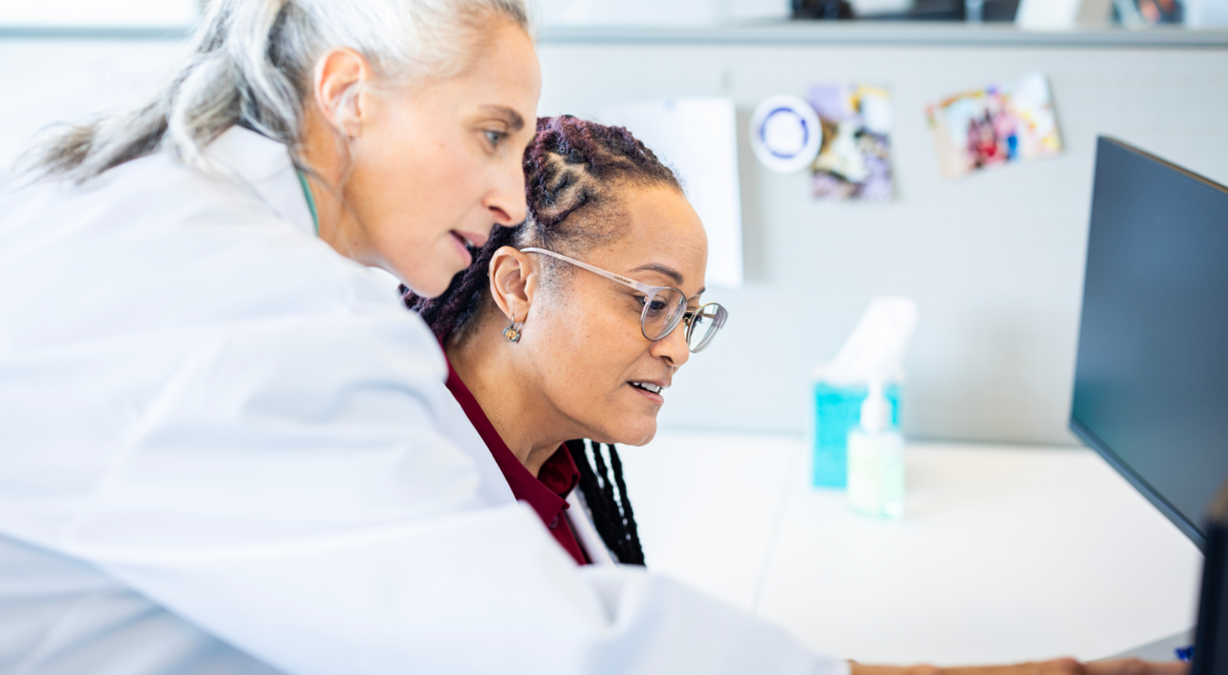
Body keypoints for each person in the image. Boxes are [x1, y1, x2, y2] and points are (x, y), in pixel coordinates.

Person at [0, 0, 1191, 672]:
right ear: (349, 93)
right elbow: (551, 655)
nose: (508, 190)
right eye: (486, 132)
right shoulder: (245, 306)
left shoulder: (167, 206)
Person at [405, 115, 728, 566]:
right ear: (517, 286)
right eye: (654, 303)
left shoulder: (555, 469)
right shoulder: (410, 502)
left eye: (688, 315)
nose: (679, 350)